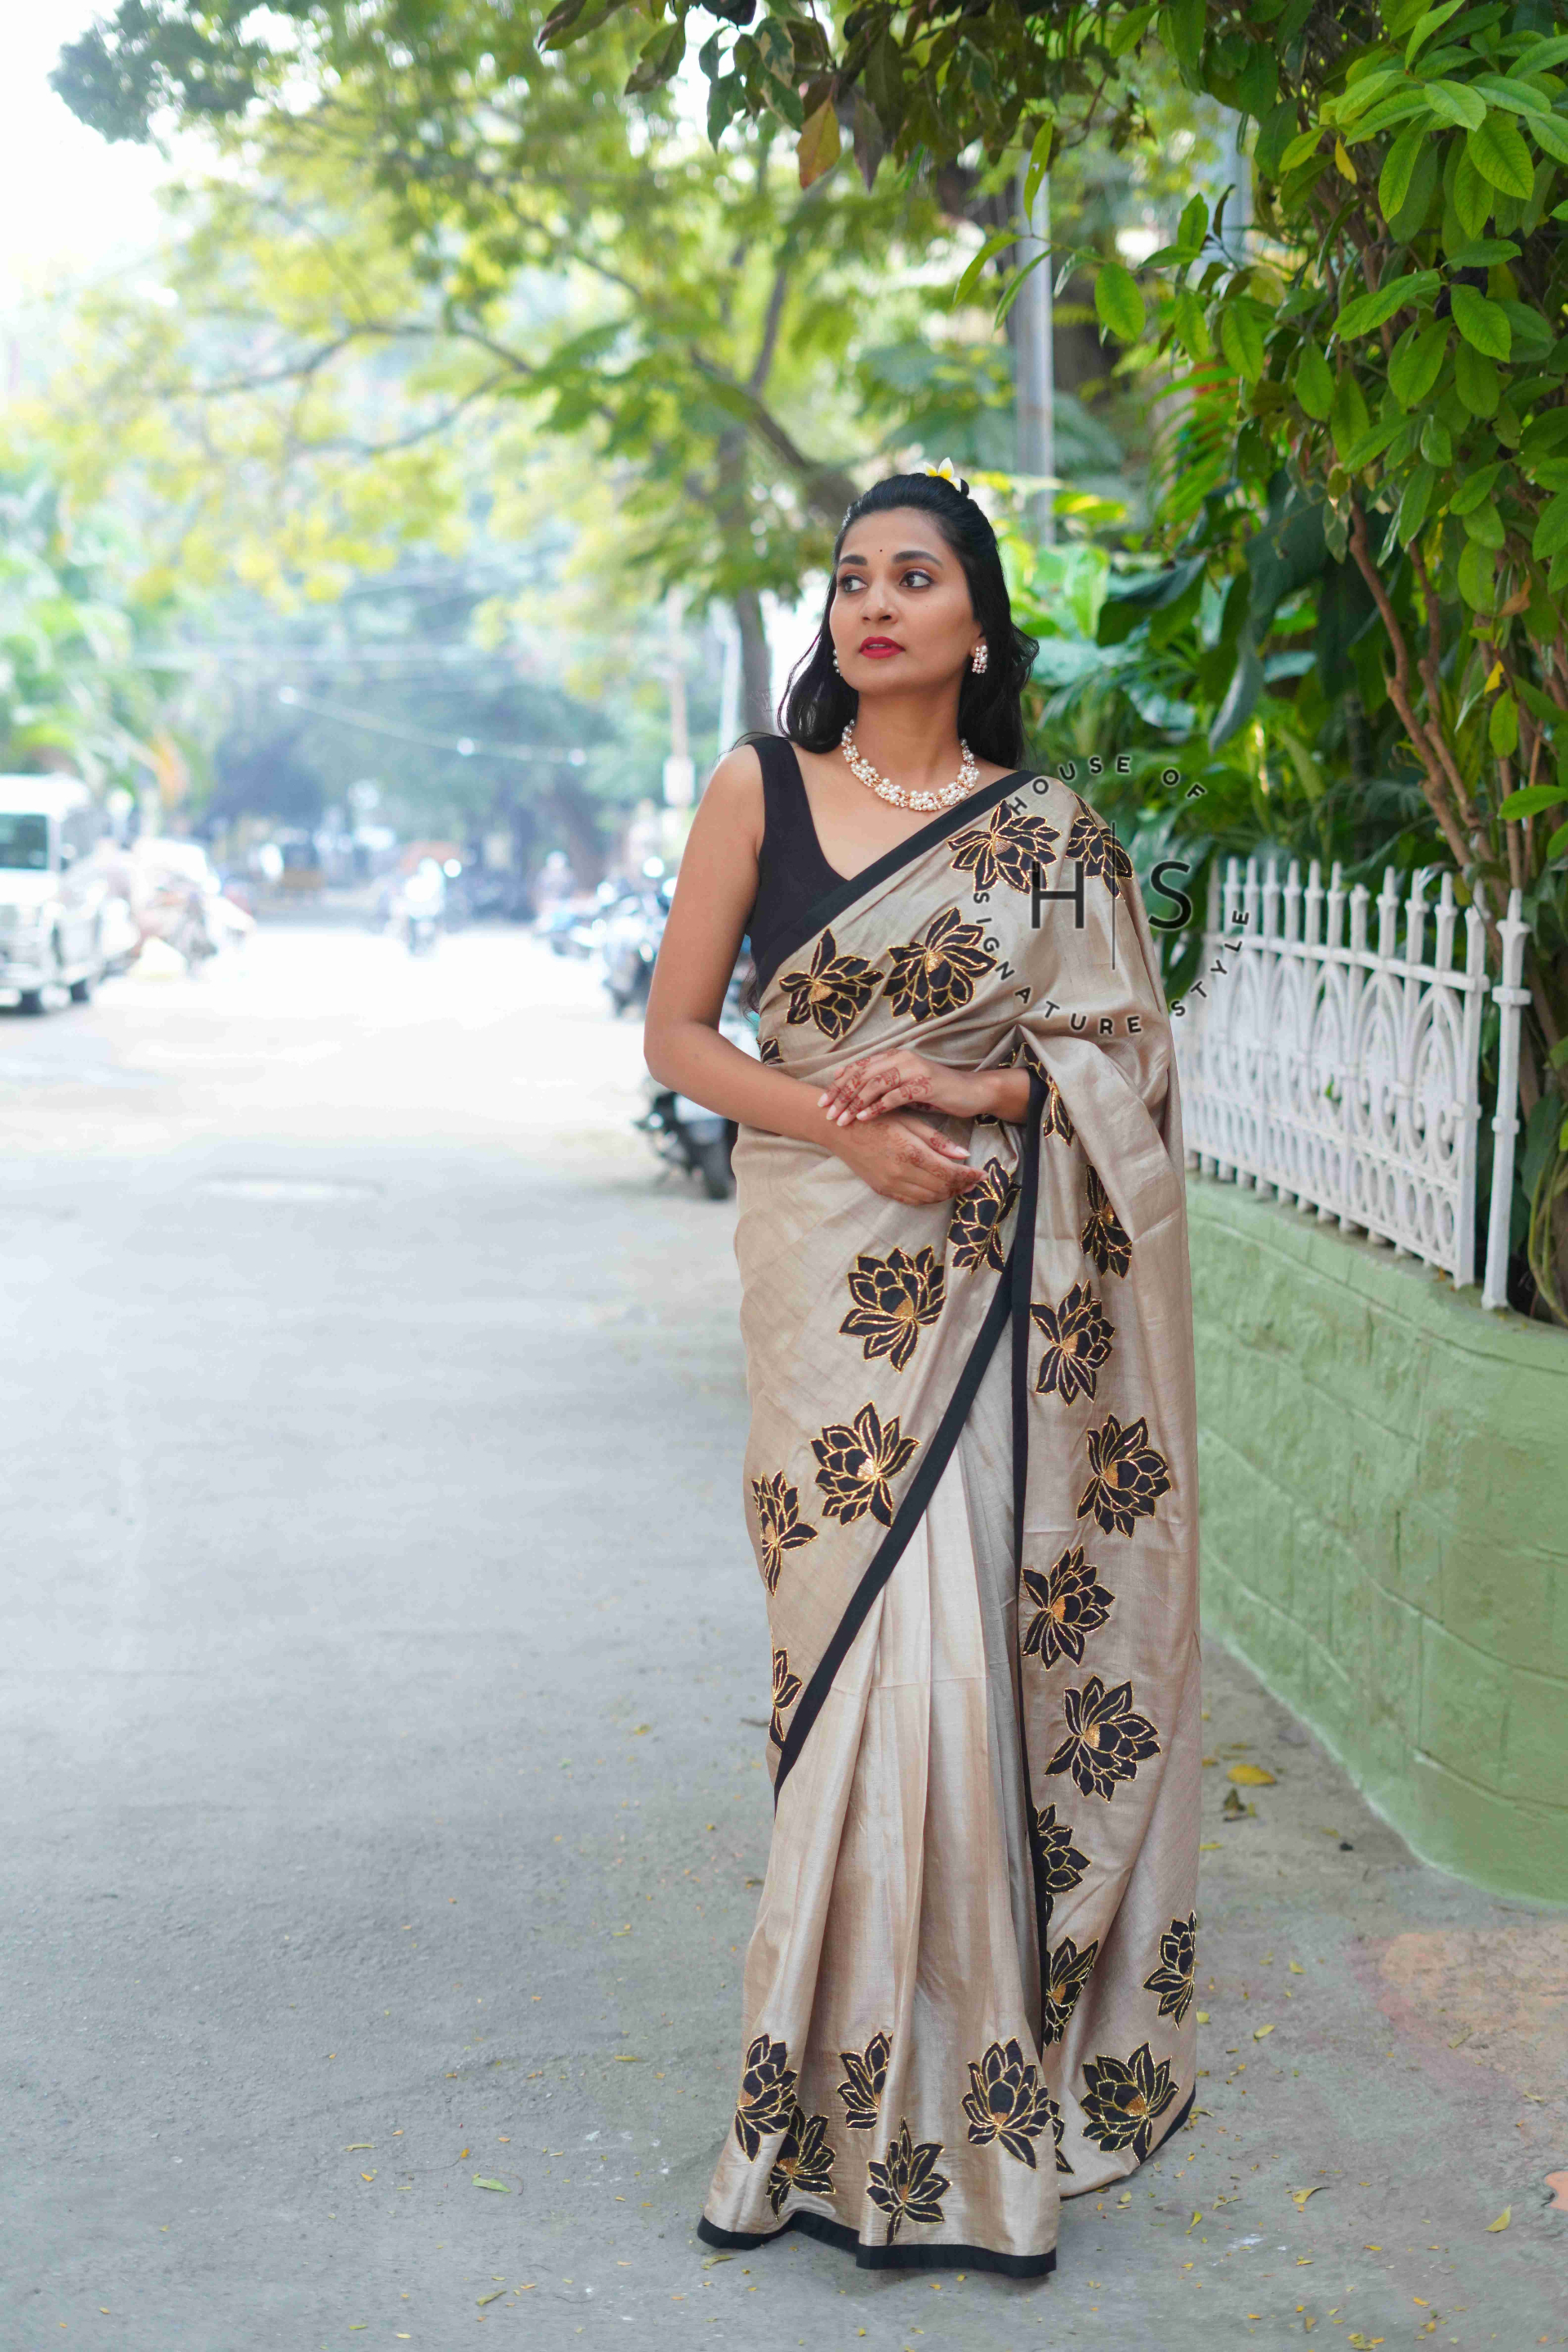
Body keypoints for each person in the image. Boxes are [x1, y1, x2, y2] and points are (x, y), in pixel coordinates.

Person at [642, 465, 1200, 2278]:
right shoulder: (759, 785)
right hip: (827, 1287)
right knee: (850, 1656)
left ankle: (970, 2127)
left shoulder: (1046, 833)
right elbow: (678, 1037)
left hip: (991, 1300)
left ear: (978, 621)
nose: (872, 605)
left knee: (953, 1648)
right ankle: (810, 2116)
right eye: (850, 578)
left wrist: (974, 1087)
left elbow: (1130, 1064)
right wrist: (847, 1128)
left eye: (912, 577)